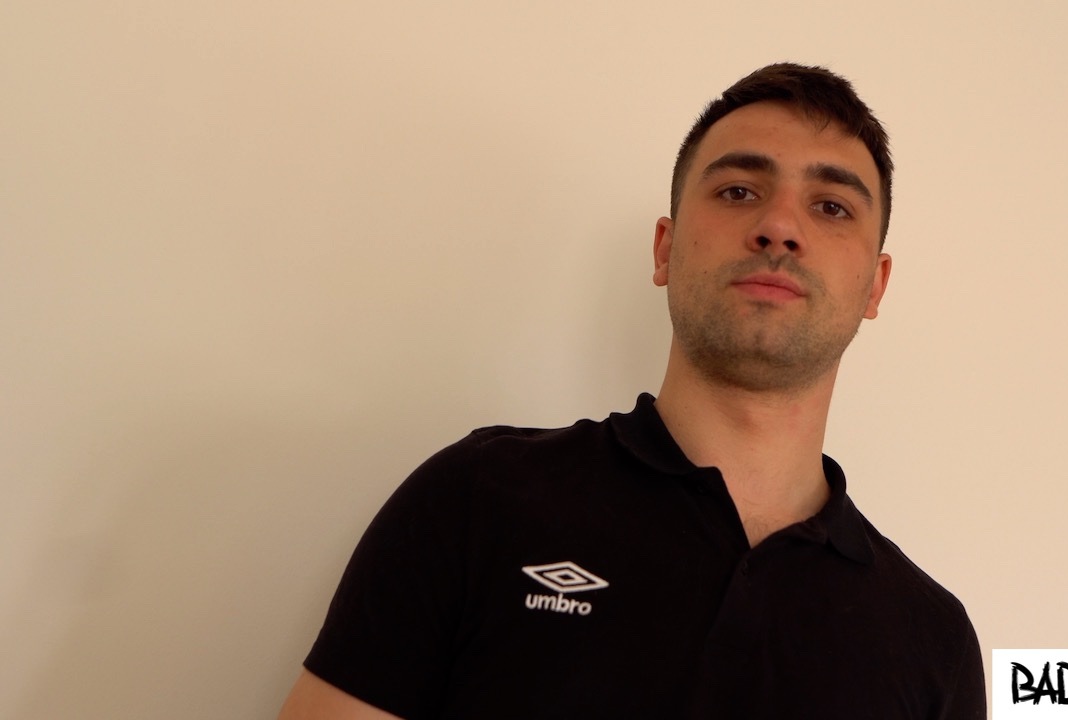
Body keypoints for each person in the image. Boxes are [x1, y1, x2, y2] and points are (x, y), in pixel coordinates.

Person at [278, 62, 985, 719]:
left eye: (831, 206)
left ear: (875, 286)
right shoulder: (476, 500)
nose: (778, 227)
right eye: (739, 191)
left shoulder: (935, 641)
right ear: (664, 248)